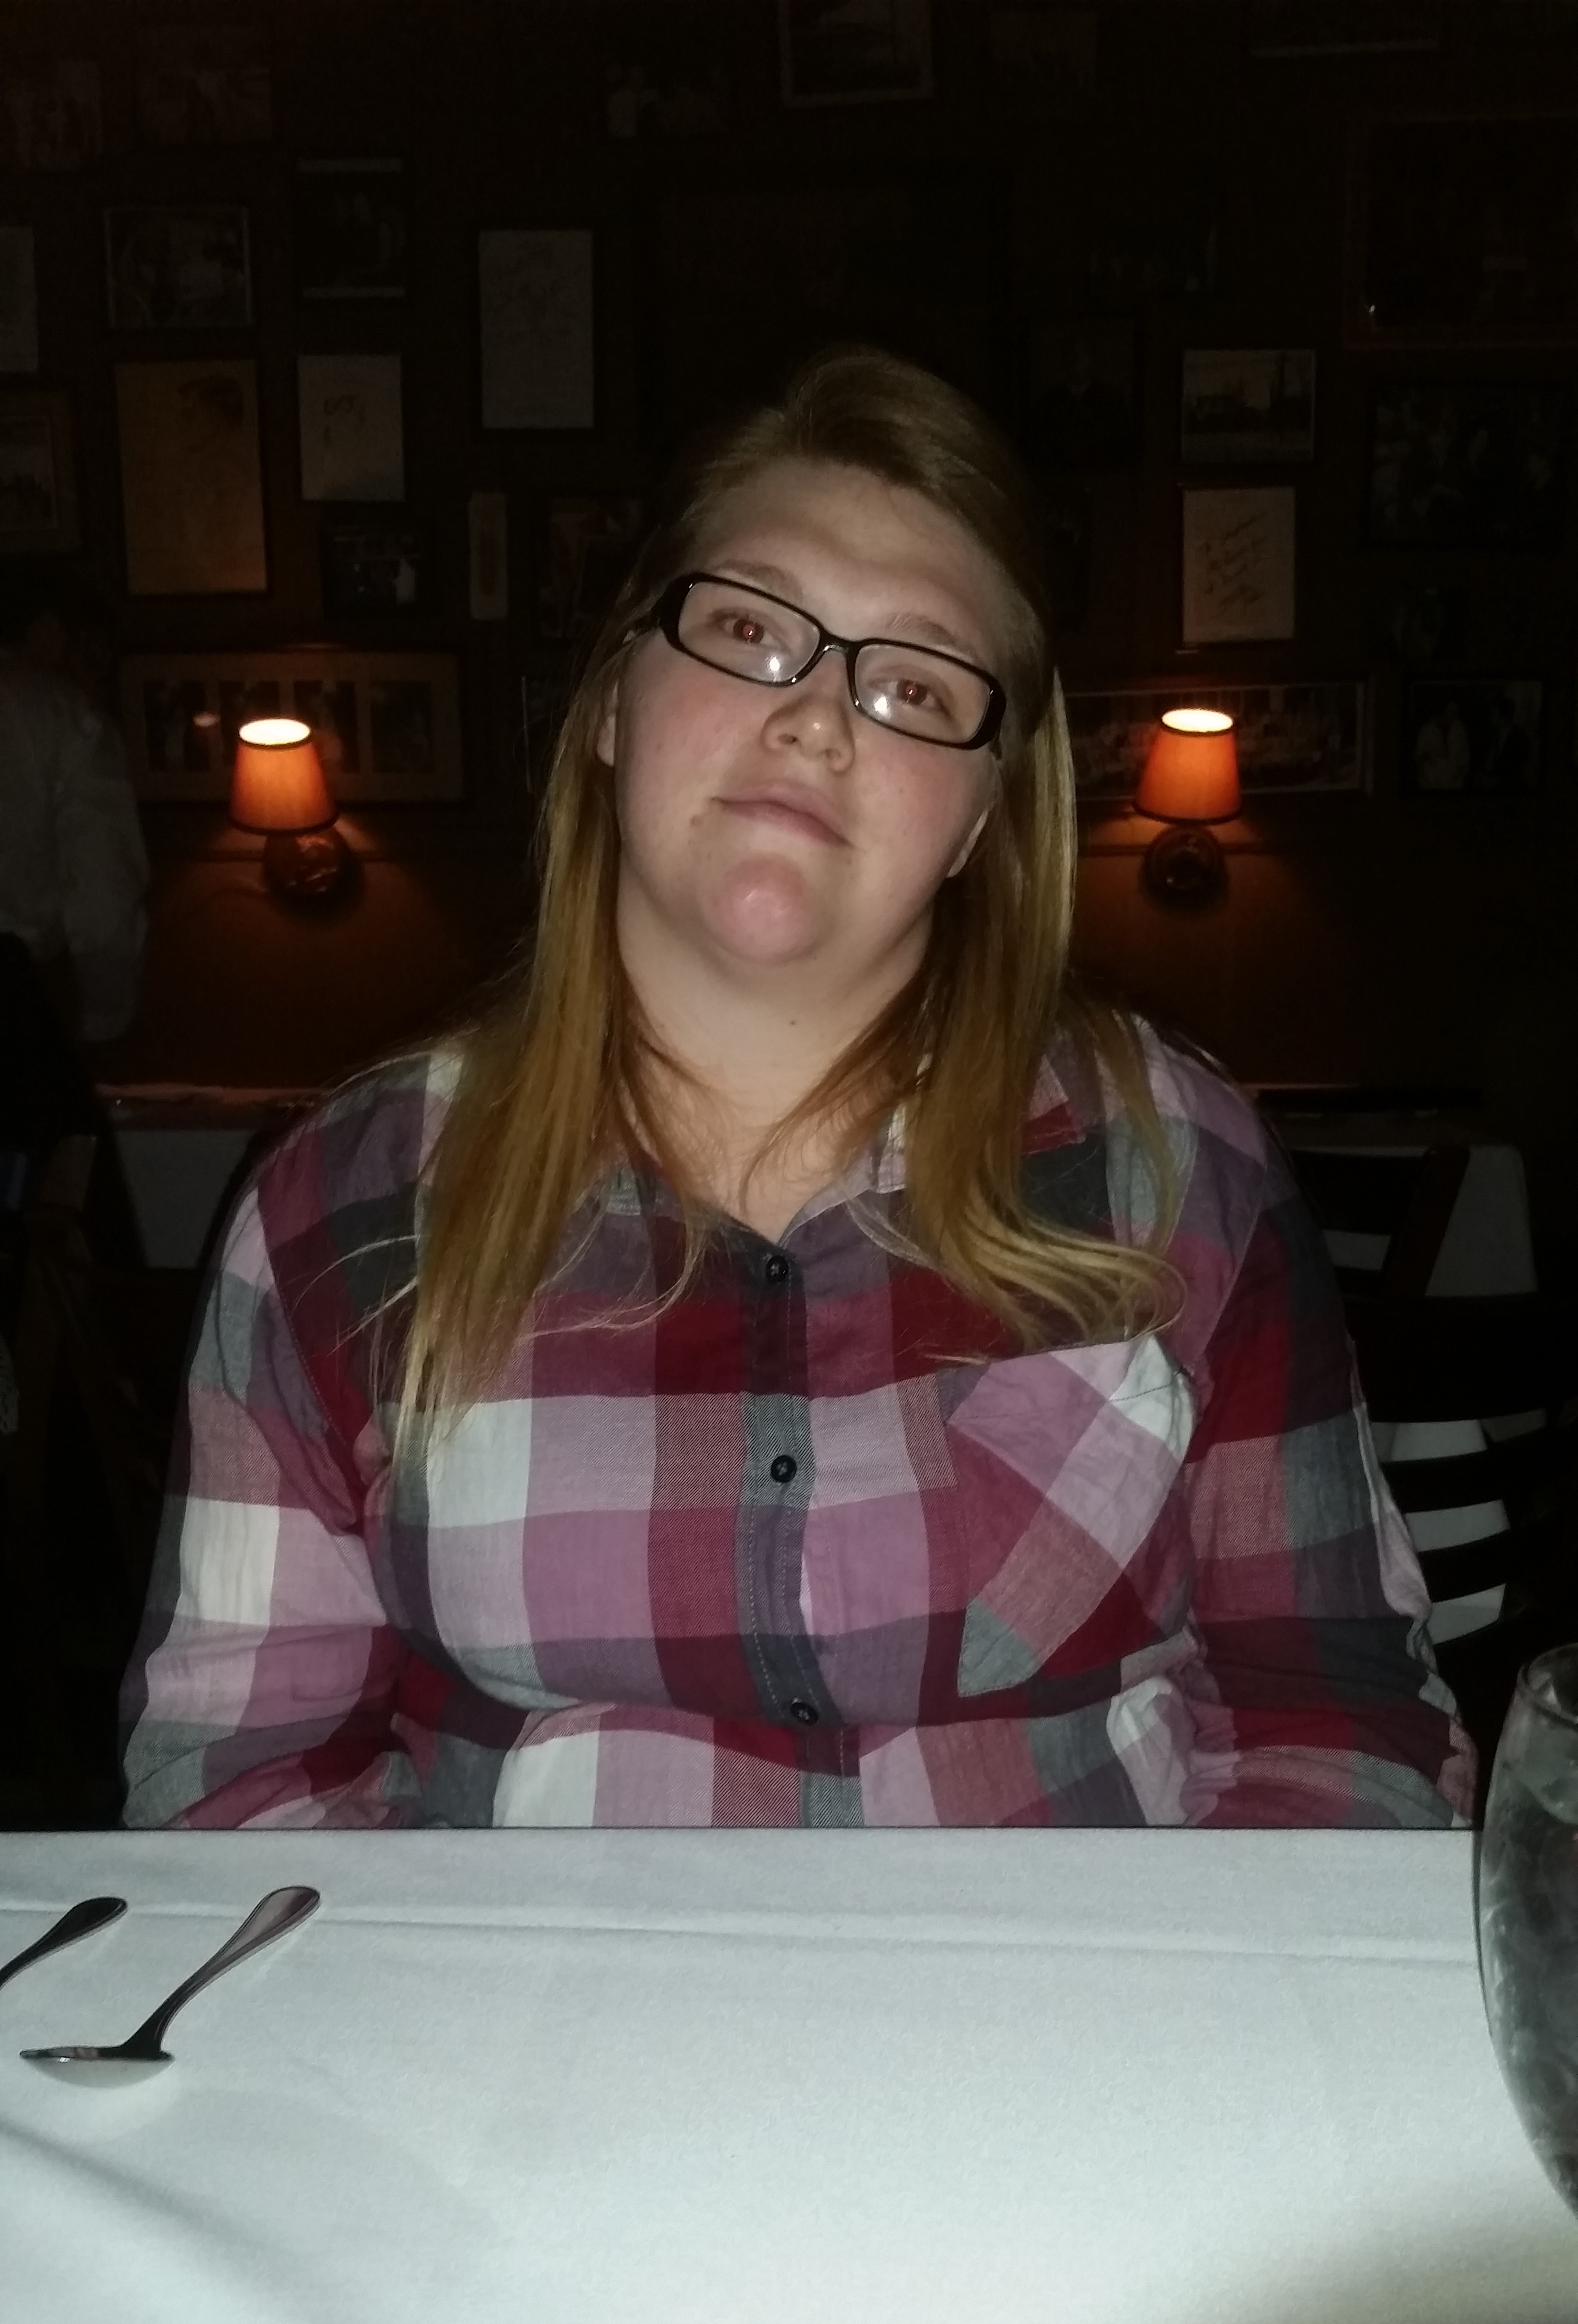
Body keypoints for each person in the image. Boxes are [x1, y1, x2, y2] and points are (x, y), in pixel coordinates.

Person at [121, 349, 1472, 1831]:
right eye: (751, 629)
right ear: (613, 703)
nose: (819, 718)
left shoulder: (1177, 1164)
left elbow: (1337, 1718)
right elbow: (237, 1788)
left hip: (1083, 1985)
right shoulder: (336, 1205)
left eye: (912, 685)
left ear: (977, 821)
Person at [0, 560, 149, 1045]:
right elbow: (103, 902)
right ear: (53, 629)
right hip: (20, 991)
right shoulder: (66, 716)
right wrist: (104, 1024)